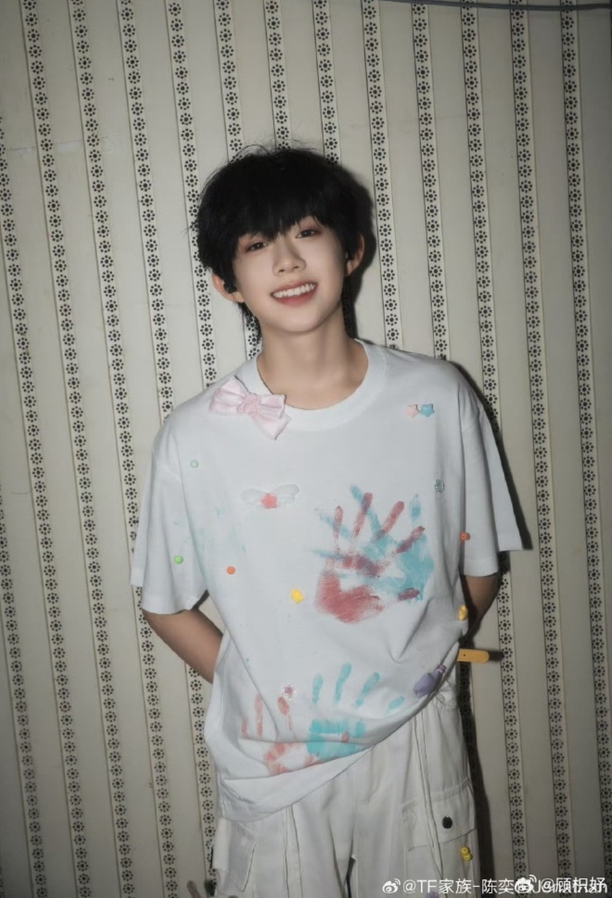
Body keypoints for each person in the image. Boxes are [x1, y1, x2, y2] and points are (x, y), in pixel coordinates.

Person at [131, 146, 522, 897]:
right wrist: (265, 685)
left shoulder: (439, 397)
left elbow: (480, 566)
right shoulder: (195, 436)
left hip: (416, 736)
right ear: (225, 282)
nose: (286, 259)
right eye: (256, 244)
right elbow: (164, 603)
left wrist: (418, 658)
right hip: (273, 760)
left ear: (352, 249)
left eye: (307, 231)